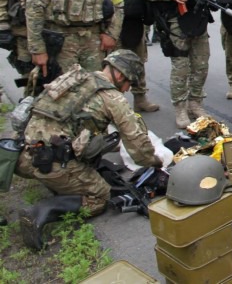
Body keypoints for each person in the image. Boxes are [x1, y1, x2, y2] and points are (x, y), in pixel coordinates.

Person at [15, 50, 163, 250]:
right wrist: (155, 162)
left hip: (23, 157)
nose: (127, 90)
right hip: (52, 165)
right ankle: (41, 211)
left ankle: (61, 182)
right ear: (120, 75)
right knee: (100, 197)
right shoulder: (112, 98)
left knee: (96, 145)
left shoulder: (75, 78)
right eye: (130, 83)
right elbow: (138, 147)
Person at [135, 0, 223, 129]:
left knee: (201, 64)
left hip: (198, 18)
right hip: (175, 21)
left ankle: (196, 103)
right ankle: (180, 108)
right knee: (181, 68)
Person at [108, 0, 159, 112]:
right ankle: (114, 104)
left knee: (138, 63)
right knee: (113, 65)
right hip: (113, 27)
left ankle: (140, 98)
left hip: (136, 24)